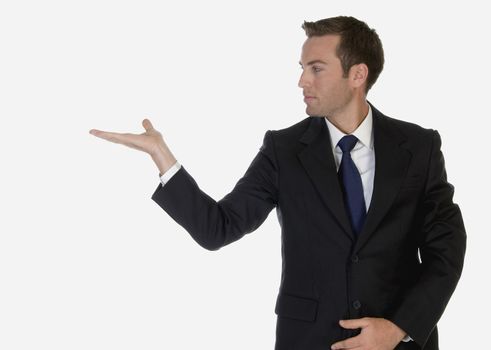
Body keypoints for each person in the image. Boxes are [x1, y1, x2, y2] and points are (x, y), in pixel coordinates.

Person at [90, 16, 466, 350]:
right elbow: (217, 228)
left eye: (316, 68)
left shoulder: (419, 147)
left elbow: (445, 253)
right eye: (302, 67)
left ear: (358, 75)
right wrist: (162, 156)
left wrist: (399, 328)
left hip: (398, 343)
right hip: (309, 339)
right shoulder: (283, 150)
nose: (302, 80)